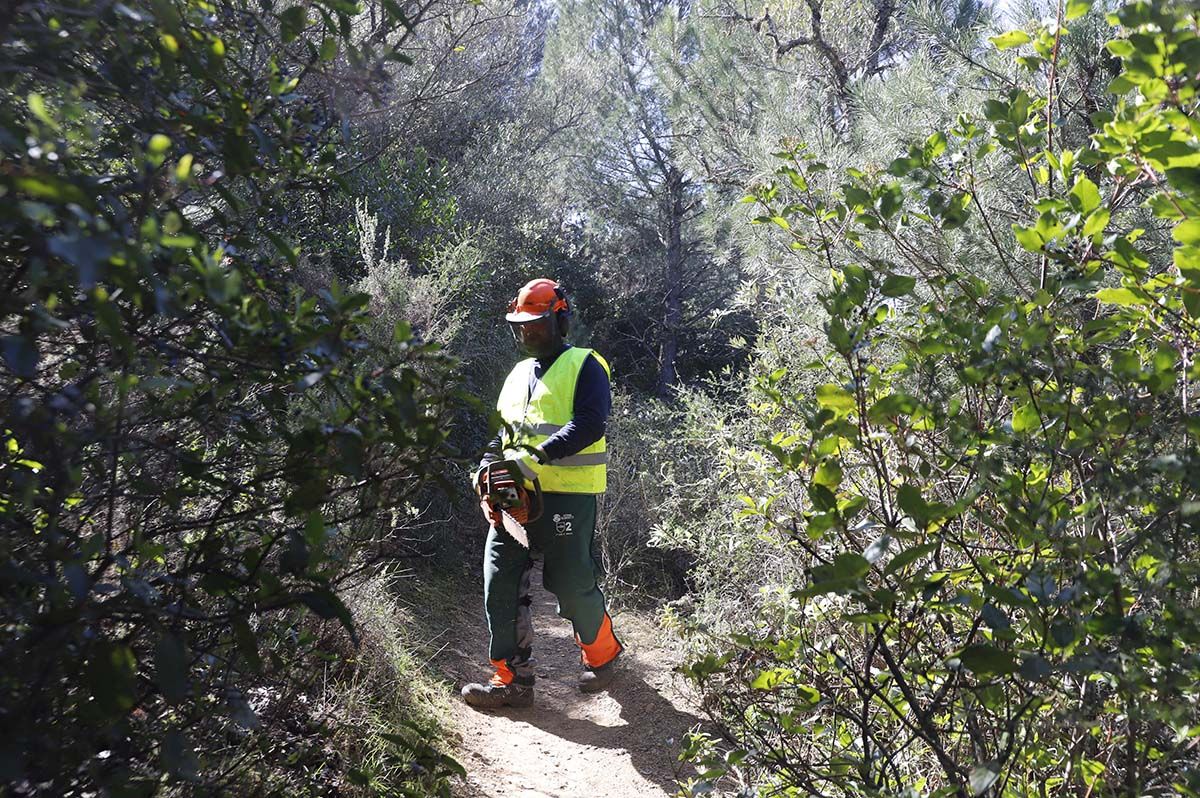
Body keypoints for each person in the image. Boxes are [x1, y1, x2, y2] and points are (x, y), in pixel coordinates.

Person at [461, 278, 624, 709]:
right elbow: (502, 435)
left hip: (566, 496)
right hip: (513, 499)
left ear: (560, 320)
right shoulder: (516, 375)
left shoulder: (586, 365)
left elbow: (590, 423)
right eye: (521, 325)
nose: (527, 332)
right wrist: (484, 467)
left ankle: (603, 655)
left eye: (535, 324)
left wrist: (534, 460)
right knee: (500, 580)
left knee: (572, 584)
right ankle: (511, 679)